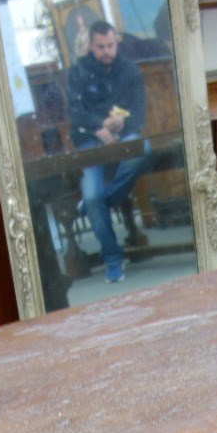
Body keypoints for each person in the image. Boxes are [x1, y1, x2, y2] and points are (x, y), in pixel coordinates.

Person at [67, 20, 149, 283]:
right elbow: (75, 113)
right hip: (90, 139)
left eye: (111, 45)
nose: (107, 51)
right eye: (100, 46)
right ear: (90, 45)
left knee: (143, 149)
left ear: (117, 42)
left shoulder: (129, 70)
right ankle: (113, 259)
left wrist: (121, 123)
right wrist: (99, 127)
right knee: (91, 198)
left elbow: (139, 111)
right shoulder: (78, 71)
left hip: (123, 134)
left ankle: (101, 201)